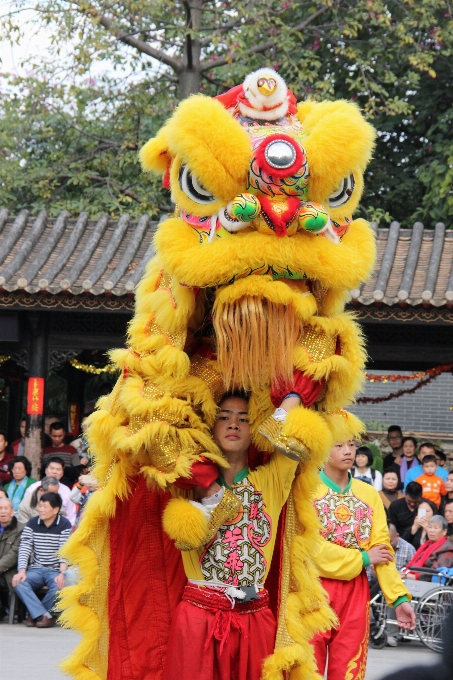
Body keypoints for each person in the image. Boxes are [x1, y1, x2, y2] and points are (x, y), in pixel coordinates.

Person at [162, 393, 300, 680]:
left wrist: (292, 397)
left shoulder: (271, 481)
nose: (233, 424)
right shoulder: (184, 481)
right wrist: (206, 484)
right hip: (198, 618)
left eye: (244, 418)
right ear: (210, 427)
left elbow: (295, 431)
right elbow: (154, 434)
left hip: (254, 617)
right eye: (223, 417)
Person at [310, 440, 415, 679]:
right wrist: (364, 557)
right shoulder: (306, 489)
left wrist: (398, 599)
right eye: (337, 444)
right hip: (311, 591)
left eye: (352, 444)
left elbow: (382, 547)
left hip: (355, 593)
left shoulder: (368, 493)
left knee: (350, 669)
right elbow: (308, 548)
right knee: (307, 670)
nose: (348, 451)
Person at [12, 491, 71, 627]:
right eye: (40, 505)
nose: (41, 509)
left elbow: (65, 551)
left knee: (59, 586)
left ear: (56, 509)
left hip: (55, 570)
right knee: (18, 582)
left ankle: (35, 615)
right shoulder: (32, 523)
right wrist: (22, 570)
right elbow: (25, 547)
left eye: (45, 506)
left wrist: (62, 573)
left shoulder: (64, 524)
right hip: (36, 569)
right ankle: (43, 615)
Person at [26, 458, 76, 525]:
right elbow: (25, 510)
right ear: (46, 470)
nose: (54, 472)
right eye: (52, 468)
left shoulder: (66, 490)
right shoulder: (33, 487)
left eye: (58, 469)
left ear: (62, 473)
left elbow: (71, 514)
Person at [402, 515, 453, 581]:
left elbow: (438, 571)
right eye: (430, 527)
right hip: (413, 576)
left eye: (436, 528)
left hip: (427, 583)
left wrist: (414, 577)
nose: (432, 530)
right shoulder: (427, 544)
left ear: (444, 531)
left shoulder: (447, 548)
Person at [0, 497, 24, 619]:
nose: (2, 511)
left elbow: (14, 554)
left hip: (11, 571)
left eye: (6, 508)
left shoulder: (21, 528)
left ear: (12, 511)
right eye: (0, 508)